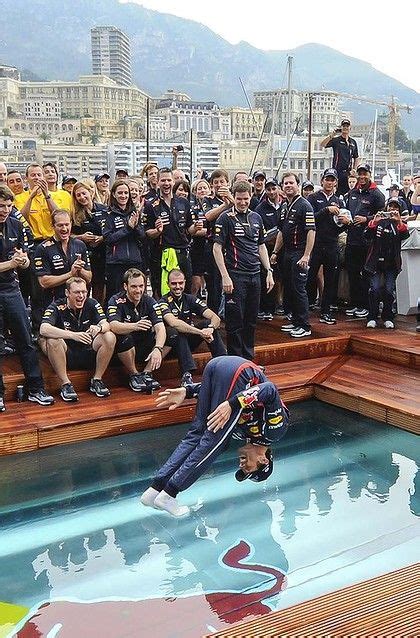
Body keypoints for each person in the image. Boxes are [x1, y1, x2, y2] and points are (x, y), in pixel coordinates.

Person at [140, 355, 289, 516]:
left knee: (197, 435)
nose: (242, 467)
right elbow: (270, 389)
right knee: (217, 441)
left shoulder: (241, 434)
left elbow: (224, 388)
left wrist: (188, 390)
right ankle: (170, 493)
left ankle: (155, 489)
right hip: (242, 371)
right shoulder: (274, 433)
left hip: (216, 367)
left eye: (243, 471)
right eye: (248, 469)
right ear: (263, 460)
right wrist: (233, 403)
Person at [0, 185, 54, 410]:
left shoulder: (15, 224)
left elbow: (26, 261)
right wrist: (11, 264)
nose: (4, 210)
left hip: (11, 288)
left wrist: (23, 261)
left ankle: (36, 388)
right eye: (1, 206)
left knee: (25, 339)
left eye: (8, 206)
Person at [214, 180, 273, 359]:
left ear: (251, 197)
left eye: (246, 199)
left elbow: (261, 246)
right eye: (239, 199)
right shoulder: (225, 218)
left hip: (255, 275)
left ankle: (248, 359)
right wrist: (225, 276)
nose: (242, 202)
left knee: (251, 320)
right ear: (234, 197)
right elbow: (217, 248)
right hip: (235, 275)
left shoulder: (256, 217)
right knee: (235, 321)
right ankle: (235, 360)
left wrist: (269, 270)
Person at [39, 277, 115, 401]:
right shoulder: (57, 305)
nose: (81, 295)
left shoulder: (92, 303)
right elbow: (44, 328)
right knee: (52, 340)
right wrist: (73, 335)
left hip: (87, 349)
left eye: (84, 292)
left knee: (109, 336)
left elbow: (107, 324)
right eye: (77, 292)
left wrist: (99, 328)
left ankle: (97, 380)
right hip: (65, 351)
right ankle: (66, 384)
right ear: (67, 293)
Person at [107, 268, 172, 392]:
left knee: (172, 333)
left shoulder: (149, 301)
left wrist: (158, 348)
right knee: (122, 336)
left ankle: (147, 373)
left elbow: (160, 327)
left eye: (141, 286)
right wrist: (135, 326)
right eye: (134, 286)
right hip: (124, 350)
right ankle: (134, 374)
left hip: (145, 346)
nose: (138, 290)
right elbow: (113, 325)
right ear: (125, 286)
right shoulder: (116, 300)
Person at [159, 268, 226, 385]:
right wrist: (200, 332)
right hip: (170, 345)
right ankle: (187, 375)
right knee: (177, 331)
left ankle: (225, 363)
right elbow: (174, 323)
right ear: (168, 284)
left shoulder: (190, 299)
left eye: (180, 283)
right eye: (174, 283)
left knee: (207, 324)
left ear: (185, 282)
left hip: (188, 342)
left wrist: (210, 328)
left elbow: (215, 318)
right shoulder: (163, 301)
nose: (177, 286)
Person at [271, 173, 315, 338]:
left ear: (298, 184)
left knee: (299, 289)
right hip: (287, 253)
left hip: (300, 252)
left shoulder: (305, 205)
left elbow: (311, 231)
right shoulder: (284, 206)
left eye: (291, 182)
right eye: (285, 183)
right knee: (289, 288)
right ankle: (296, 321)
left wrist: (306, 255)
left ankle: (304, 325)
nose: (288, 185)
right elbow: (281, 231)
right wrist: (275, 252)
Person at [306, 168, 349, 325]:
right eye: (327, 179)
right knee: (309, 278)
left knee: (331, 280)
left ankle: (326, 311)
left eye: (332, 180)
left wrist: (346, 224)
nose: (329, 182)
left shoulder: (340, 201)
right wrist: (326, 210)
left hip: (332, 244)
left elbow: (339, 226)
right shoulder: (312, 198)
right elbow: (311, 219)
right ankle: (304, 309)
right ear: (322, 180)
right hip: (316, 244)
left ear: (336, 182)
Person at [144, 167, 196, 297]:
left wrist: (197, 227)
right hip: (162, 254)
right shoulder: (151, 204)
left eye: (169, 180)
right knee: (162, 291)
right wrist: (157, 231)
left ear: (173, 181)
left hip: (183, 253)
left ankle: (184, 316)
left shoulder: (183, 202)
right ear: (158, 182)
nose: (166, 183)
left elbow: (189, 229)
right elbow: (147, 232)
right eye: (163, 180)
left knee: (186, 288)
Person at [344, 164, 385, 318]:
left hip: (368, 242)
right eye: (359, 174)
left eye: (364, 174)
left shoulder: (377, 195)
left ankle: (367, 306)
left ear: (369, 174)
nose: (362, 177)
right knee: (352, 274)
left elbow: (382, 216)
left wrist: (366, 219)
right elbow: (347, 210)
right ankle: (357, 304)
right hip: (352, 239)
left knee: (365, 275)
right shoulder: (352, 192)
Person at [364, 199, 409, 329]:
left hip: (392, 264)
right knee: (375, 289)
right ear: (386, 207)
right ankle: (372, 316)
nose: (392, 210)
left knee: (389, 291)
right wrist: (374, 222)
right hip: (375, 262)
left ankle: (388, 317)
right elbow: (366, 235)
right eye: (390, 206)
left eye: (396, 207)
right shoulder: (379, 220)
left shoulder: (399, 224)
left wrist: (398, 221)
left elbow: (405, 235)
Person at [34, 209, 91, 310]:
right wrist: (70, 274)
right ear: (53, 226)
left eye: (67, 224)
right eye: (60, 225)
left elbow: (89, 277)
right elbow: (44, 282)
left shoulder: (80, 245)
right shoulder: (42, 248)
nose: (64, 229)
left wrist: (80, 270)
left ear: (71, 224)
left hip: (76, 301)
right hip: (52, 302)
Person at [103, 179, 146, 300]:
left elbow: (143, 236)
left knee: (136, 294)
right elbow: (108, 238)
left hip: (135, 261)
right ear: (114, 194)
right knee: (115, 296)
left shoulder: (134, 212)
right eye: (120, 193)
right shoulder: (108, 214)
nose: (123, 196)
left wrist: (135, 227)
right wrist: (128, 228)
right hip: (116, 263)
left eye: (126, 193)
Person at [71, 181, 108, 304]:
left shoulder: (104, 209)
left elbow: (111, 231)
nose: (82, 197)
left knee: (100, 287)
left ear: (91, 192)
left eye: (84, 193)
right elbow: (68, 235)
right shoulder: (75, 214)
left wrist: (102, 238)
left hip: (102, 255)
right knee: (83, 287)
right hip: (84, 256)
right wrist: (81, 237)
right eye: (78, 195)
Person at [256, 177, 282, 320]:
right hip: (267, 248)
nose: (271, 192)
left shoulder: (285, 205)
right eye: (269, 189)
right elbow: (260, 231)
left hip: (284, 248)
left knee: (282, 278)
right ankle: (267, 308)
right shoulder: (260, 208)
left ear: (278, 188)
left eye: (274, 188)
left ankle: (281, 305)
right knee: (266, 276)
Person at [321, 118, 360, 195]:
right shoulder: (336, 140)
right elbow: (323, 144)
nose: (345, 128)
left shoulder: (353, 142)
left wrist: (354, 170)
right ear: (341, 127)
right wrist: (332, 135)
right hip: (337, 171)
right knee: (336, 193)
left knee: (349, 193)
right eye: (344, 126)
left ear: (350, 128)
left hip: (348, 173)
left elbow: (356, 157)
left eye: (347, 126)